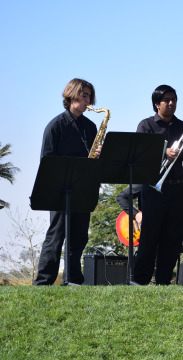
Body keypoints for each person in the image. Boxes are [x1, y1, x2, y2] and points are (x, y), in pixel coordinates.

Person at [35, 78, 100, 285]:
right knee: (56, 236)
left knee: (80, 236)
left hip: (83, 188)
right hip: (60, 190)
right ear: (71, 95)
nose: (88, 100)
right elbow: (47, 161)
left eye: (89, 95)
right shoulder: (55, 125)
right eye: (84, 95)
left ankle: (72, 279)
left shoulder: (90, 127)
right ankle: (44, 281)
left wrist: (99, 155)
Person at [134, 84, 183, 285]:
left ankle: (164, 282)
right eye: (167, 100)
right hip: (153, 188)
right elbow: (140, 153)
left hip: (177, 188)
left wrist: (179, 153)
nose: (171, 104)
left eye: (174, 100)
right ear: (156, 104)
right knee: (149, 238)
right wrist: (164, 152)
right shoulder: (146, 126)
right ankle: (141, 281)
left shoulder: (182, 126)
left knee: (172, 237)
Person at [116, 184, 183, 285]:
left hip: (172, 236)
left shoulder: (178, 187)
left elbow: (178, 221)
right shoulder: (146, 183)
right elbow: (121, 197)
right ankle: (141, 283)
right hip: (151, 236)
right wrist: (136, 214)